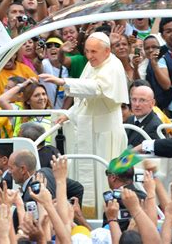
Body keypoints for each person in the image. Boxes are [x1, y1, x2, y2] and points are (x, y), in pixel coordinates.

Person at [40, 31, 129, 217]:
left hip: (105, 133)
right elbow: (83, 99)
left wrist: (63, 81)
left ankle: (107, 216)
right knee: (87, 175)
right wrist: (70, 114)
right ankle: (86, 215)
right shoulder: (91, 64)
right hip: (88, 130)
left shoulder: (113, 66)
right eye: (87, 51)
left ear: (107, 50)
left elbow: (96, 89)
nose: (89, 56)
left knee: (103, 177)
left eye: (94, 52)